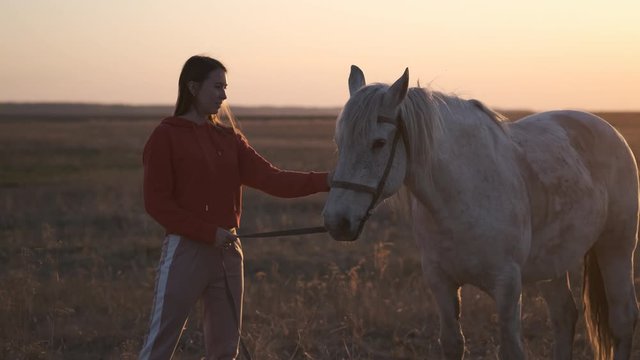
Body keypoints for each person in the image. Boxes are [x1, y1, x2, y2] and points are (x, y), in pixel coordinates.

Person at [139, 55, 330, 360]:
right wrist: (206, 232)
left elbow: (274, 180)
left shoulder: (229, 139)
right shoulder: (166, 136)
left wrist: (329, 180)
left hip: (229, 251)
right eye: (216, 87)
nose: (224, 95)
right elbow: (157, 203)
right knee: (161, 346)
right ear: (192, 87)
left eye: (225, 87)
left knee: (226, 350)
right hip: (185, 252)